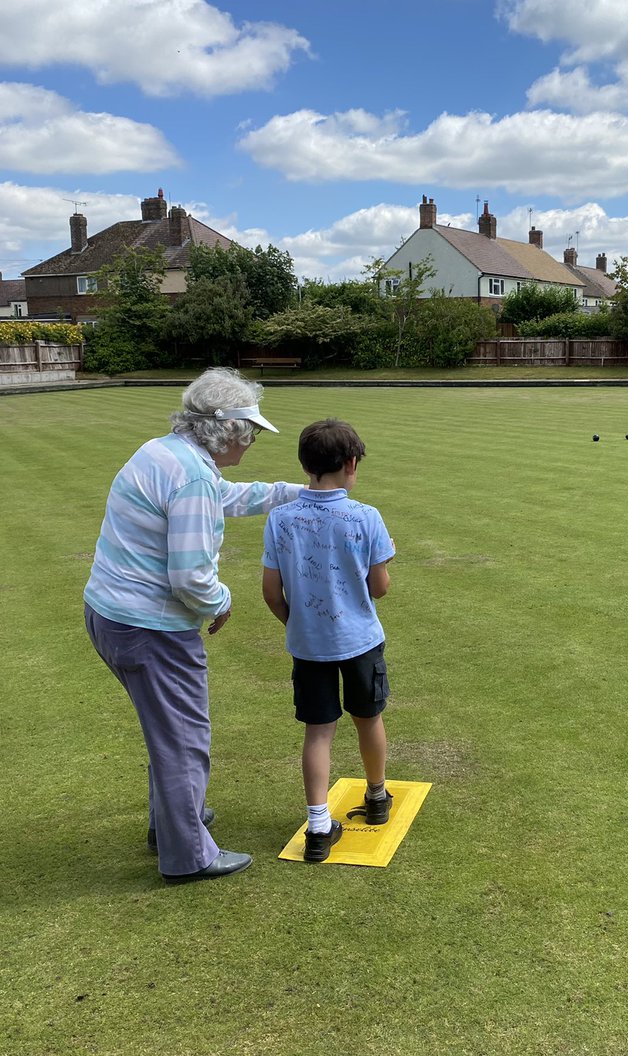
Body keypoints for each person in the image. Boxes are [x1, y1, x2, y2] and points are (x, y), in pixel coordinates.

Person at [83, 368, 303, 883]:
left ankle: (175, 821)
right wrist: (220, 601)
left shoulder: (164, 452)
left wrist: (291, 493)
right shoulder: (193, 475)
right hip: (150, 627)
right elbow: (190, 576)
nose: (250, 443)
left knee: (168, 733)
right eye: (248, 432)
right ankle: (189, 855)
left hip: (109, 614)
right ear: (225, 429)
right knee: (183, 737)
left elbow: (222, 497)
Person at [262, 418, 396, 863]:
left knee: (318, 732)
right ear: (351, 463)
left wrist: (296, 624)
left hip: (308, 645)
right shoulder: (366, 517)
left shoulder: (280, 518)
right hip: (360, 640)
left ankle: (319, 826)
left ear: (307, 465)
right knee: (368, 717)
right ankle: (377, 798)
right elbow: (379, 587)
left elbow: (270, 591)